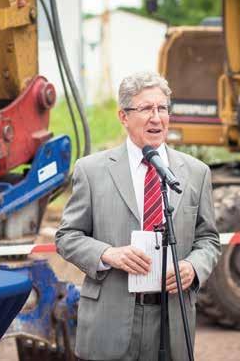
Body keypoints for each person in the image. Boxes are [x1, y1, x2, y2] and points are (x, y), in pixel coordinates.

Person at [55, 72, 220, 360]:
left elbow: (208, 239)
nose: (156, 118)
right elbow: (67, 237)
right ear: (123, 116)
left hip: (173, 321)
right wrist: (108, 254)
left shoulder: (196, 173)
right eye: (145, 109)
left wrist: (193, 267)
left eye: (162, 108)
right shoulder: (91, 170)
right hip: (110, 320)